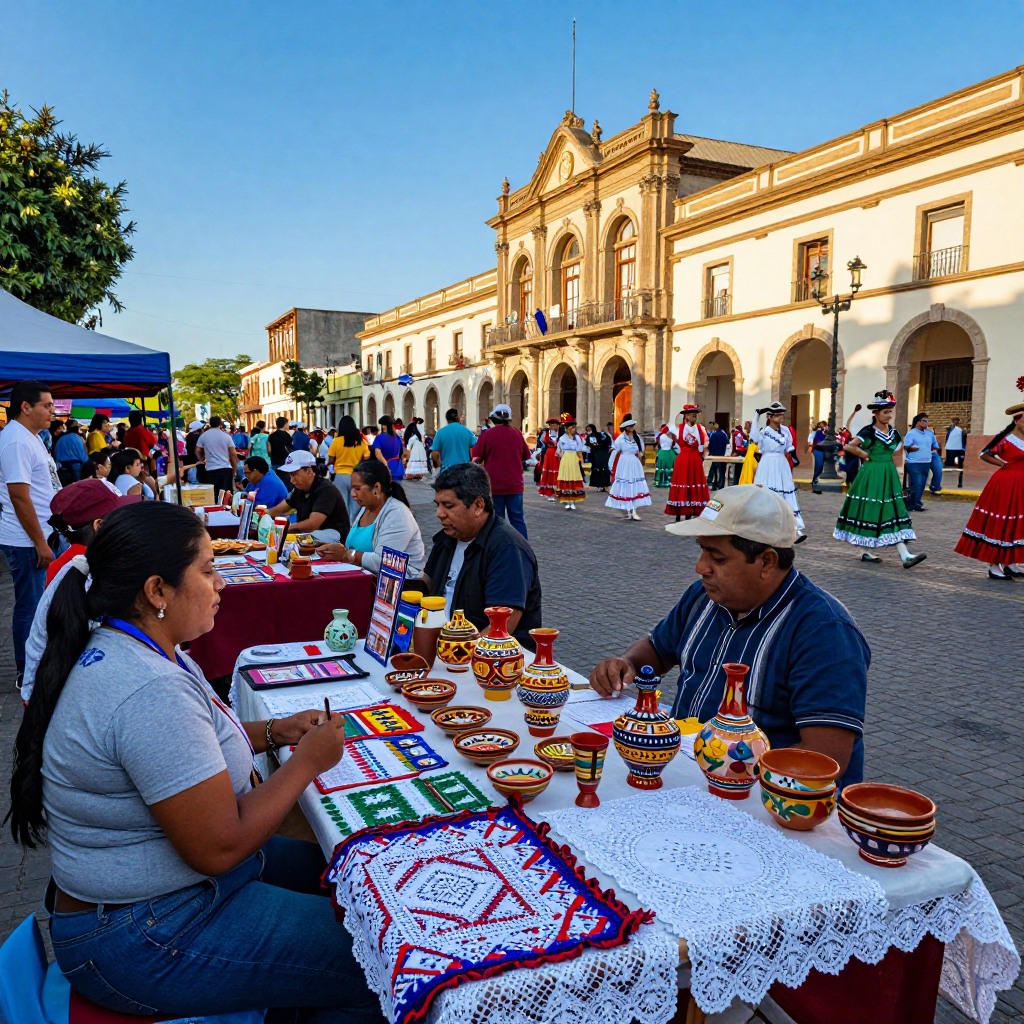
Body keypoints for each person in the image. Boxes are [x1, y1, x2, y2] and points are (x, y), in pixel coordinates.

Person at [8, 502, 379, 1021]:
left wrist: (274, 732)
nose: (221, 582)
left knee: (349, 872)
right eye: (207, 570)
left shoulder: (136, 646)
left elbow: (183, 753)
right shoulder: (147, 687)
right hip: (144, 932)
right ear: (157, 591)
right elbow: (219, 847)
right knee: (381, 963)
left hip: (159, 900)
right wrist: (305, 765)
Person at [590, 485, 869, 787]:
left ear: (767, 563)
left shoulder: (824, 631)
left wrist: (725, 769)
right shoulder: (704, 597)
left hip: (763, 799)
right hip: (684, 775)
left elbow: (826, 757)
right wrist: (626, 664)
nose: (700, 568)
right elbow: (657, 650)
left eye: (718, 559)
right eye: (701, 550)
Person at [421, 462, 541, 647]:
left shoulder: (506, 548)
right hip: (444, 648)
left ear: (478, 505)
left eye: (448, 505)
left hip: (491, 662)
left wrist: (456, 655)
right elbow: (427, 583)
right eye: (438, 505)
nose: (439, 514)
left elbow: (502, 626)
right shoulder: (448, 538)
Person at [0, 381, 60, 679]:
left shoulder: (32, 437)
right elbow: (19, 496)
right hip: (26, 540)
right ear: (26, 407)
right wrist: (40, 543)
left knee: (42, 603)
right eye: (47, 405)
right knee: (30, 606)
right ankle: (27, 672)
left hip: (42, 534)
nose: (52, 411)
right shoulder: (16, 440)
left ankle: (39, 662)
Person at [833, 390, 925, 567]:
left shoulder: (895, 433)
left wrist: (899, 474)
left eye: (890, 412)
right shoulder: (868, 432)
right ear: (875, 413)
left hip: (888, 472)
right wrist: (865, 455)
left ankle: (902, 554)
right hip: (872, 473)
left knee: (892, 509)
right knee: (872, 509)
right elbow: (850, 446)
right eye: (885, 412)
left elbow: (898, 454)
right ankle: (873, 551)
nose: (889, 416)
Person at [316, 459, 425, 577]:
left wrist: (348, 555)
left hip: (401, 586)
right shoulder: (366, 509)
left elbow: (383, 562)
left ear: (376, 489)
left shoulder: (397, 514)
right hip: (364, 579)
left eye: (357, 488)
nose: (352, 494)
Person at [955, 399, 1024, 579]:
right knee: (1002, 520)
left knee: (1017, 522)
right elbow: (984, 454)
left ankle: (1011, 563)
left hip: (1021, 484)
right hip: (1006, 483)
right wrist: (1003, 463)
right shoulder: (1005, 439)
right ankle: (994, 565)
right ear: (1017, 420)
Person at [471, 404, 532, 538]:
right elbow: (526, 455)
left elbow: (476, 457)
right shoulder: (517, 433)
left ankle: (499, 547)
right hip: (515, 484)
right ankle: (522, 548)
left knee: (496, 520)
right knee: (517, 519)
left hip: (494, 485)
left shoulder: (487, 435)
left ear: (493, 419)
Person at [266, 450, 351, 543]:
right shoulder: (300, 488)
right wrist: (264, 516)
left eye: (294, 474)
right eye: (290, 475)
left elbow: (312, 524)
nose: (291, 480)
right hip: (311, 535)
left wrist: (285, 528)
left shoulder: (325, 490)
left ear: (309, 471)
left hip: (333, 539)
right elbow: (279, 509)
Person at [750, 402, 806, 541]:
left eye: (782, 414)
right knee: (768, 494)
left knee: (786, 493)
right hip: (768, 464)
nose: (781, 417)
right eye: (777, 414)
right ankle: (765, 528)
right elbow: (754, 438)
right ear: (770, 417)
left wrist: (794, 457)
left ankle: (794, 528)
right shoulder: (764, 432)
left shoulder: (786, 430)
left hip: (782, 464)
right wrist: (756, 416)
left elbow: (789, 446)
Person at [665, 405, 710, 520]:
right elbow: (671, 437)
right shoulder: (679, 428)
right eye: (691, 415)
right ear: (686, 416)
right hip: (683, 459)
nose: (694, 417)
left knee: (693, 483)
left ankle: (691, 511)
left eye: (695, 415)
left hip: (695, 459)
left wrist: (703, 456)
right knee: (683, 482)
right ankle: (679, 512)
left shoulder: (701, 429)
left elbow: (704, 445)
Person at [326, 415, 371, 522]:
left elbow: (330, 460)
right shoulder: (361, 441)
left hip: (340, 476)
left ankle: (344, 527)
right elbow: (367, 458)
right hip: (356, 476)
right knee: (356, 505)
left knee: (342, 504)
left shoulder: (336, 441)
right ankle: (353, 525)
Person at [606, 416, 651, 522]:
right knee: (626, 485)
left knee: (635, 486)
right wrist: (610, 465)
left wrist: (641, 458)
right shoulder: (620, 439)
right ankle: (628, 510)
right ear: (625, 427)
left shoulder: (637, 437)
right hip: (624, 463)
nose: (632, 427)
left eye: (632, 426)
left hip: (635, 463)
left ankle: (634, 510)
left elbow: (641, 450)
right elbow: (615, 451)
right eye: (630, 426)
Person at [195, 416, 238, 501]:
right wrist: (235, 470)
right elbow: (233, 454)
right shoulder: (226, 436)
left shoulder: (204, 436)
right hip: (225, 469)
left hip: (211, 469)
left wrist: (202, 459)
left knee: (213, 496)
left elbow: (197, 450)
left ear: (210, 423)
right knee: (226, 496)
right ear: (220, 423)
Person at [553, 419, 587, 511]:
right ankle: (568, 501)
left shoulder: (577, 438)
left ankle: (573, 500)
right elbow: (559, 449)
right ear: (568, 429)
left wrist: (580, 458)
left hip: (574, 458)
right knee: (566, 478)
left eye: (574, 428)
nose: (574, 430)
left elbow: (580, 448)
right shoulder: (562, 438)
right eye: (572, 428)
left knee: (573, 478)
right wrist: (560, 455)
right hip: (566, 457)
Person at [54, 420, 88, 486]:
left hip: (63, 467)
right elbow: (83, 455)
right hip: (76, 467)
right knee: (77, 488)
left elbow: (56, 453)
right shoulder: (79, 439)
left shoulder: (61, 439)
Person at [372, 415, 405, 481]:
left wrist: (386, 465)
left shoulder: (379, 438)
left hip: (385, 469)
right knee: (397, 489)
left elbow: (378, 454)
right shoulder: (397, 437)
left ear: (384, 426)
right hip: (398, 468)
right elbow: (401, 452)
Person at [535, 418, 560, 500]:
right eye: (551, 425)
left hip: (559, 454)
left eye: (554, 424)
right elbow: (540, 443)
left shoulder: (561, 433)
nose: (553, 426)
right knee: (549, 471)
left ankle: (557, 490)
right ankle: (549, 491)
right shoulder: (545, 433)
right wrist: (539, 452)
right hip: (549, 453)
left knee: (558, 471)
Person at [586, 423, 612, 491]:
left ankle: (603, 485)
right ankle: (602, 485)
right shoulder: (601, 435)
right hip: (599, 454)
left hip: (598, 454)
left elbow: (589, 445)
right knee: (600, 469)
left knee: (601, 469)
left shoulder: (598, 435)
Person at [267, 416, 293, 482]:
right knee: (286, 482)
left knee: (276, 480)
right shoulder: (287, 435)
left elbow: (269, 451)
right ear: (285, 424)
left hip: (274, 462)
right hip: (285, 462)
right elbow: (290, 448)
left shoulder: (271, 436)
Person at [706, 421, 730, 490]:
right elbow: (727, 442)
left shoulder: (714, 434)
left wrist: (710, 452)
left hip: (715, 454)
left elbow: (711, 444)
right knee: (721, 470)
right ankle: (721, 484)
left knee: (715, 470)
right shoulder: (724, 434)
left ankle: (714, 483)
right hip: (722, 454)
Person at [807, 420, 828, 493]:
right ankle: (815, 485)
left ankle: (817, 483)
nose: (822, 427)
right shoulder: (816, 432)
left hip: (825, 451)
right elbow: (810, 440)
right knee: (818, 467)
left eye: (823, 425)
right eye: (820, 425)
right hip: (818, 451)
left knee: (821, 468)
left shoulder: (827, 432)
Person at [738, 420, 758, 485]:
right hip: (749, 455)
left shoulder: (753, 439)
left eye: (746, 425)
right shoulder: (747, 436)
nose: (744, 427)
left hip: (752, 455)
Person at [730, 421, 748, 486]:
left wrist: (734, 451)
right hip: (742, 453)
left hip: (739, 452)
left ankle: (736, 482)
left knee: (738, 469)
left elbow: (738, 445)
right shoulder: (741, 434)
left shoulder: (737, 434)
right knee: (739, 469)